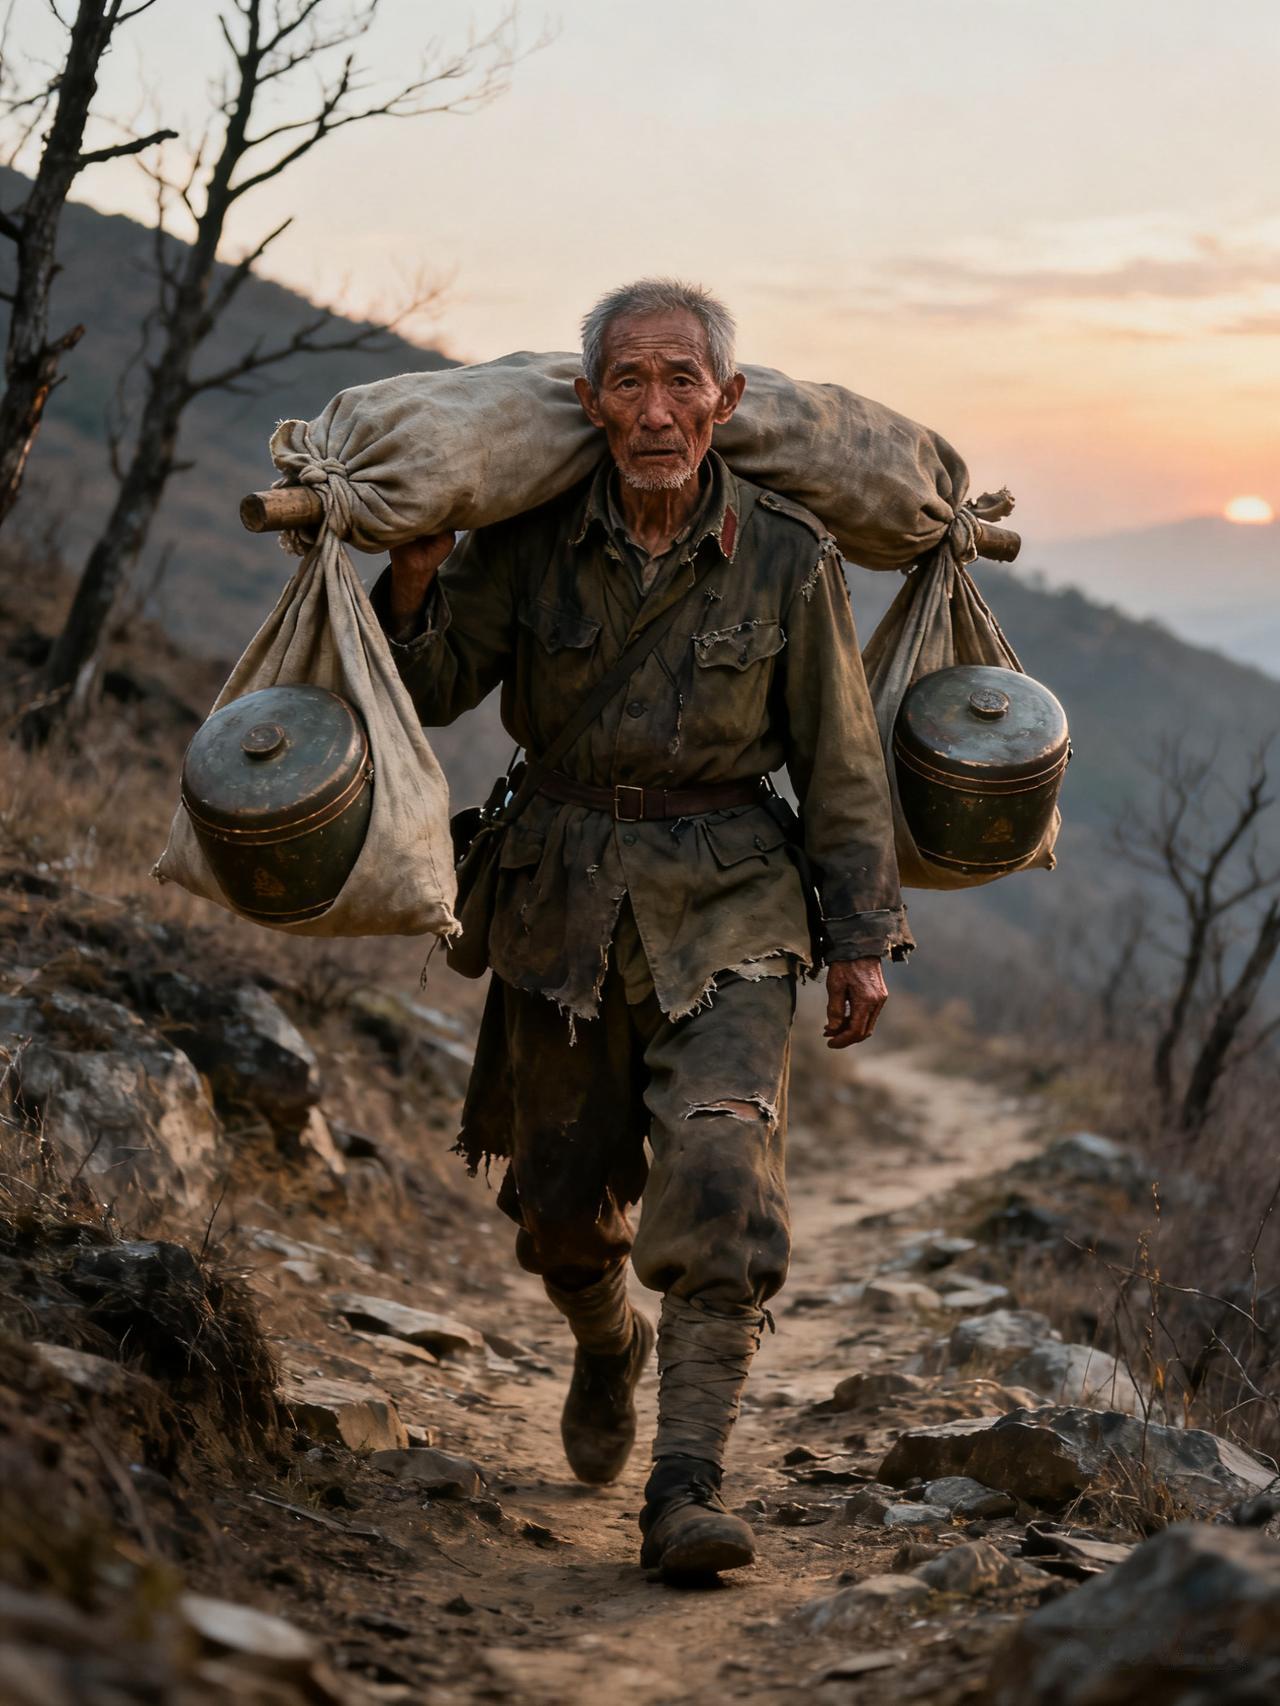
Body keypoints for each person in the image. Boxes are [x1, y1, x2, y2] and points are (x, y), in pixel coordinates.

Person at [373, 278, 910, 1581]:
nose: (658, 409)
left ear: (726, 401)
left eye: (684, 381)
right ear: (589, 401)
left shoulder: (787, 553)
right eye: (630, 380)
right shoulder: (533, 539)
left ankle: (687, 1487)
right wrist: (412, 581)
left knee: (724, 1184)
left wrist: (859, 931)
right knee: (561, 1209)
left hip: (731, 897)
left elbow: (841, 757)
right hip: (559, 899)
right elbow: (437, 687)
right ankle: (610, 1338)